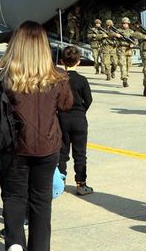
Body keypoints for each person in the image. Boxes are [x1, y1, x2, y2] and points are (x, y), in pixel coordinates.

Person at [0, 21, 73, 251]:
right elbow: (66, 105)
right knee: (41, 203)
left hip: (13, 147)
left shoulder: (3, 74)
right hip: (47, 146)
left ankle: (14, 244)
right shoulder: (58, 77)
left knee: (13, 197)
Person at [58, 46, 94, 196]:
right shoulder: (82, 80)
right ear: (78, 62)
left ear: (62, 61)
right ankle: (81, 183)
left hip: (62, 118)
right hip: (79, 119)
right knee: (80, 153)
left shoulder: (58, 79)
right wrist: (81, 110)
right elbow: (89, 99)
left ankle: (60, 181)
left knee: (62, 152)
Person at [116, 17, 137, 88]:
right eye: (124, 23)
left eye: (126, 24)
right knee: (122, 64)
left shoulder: (131, 32)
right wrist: (116, 35)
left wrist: (133, 44)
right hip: (121, 49)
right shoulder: (118, 31)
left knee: (128, 65)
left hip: (129, 50)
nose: (125, 25)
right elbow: (110, 34)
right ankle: (124, 79)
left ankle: (126, 76)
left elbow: (136, 40)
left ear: (128, 24)